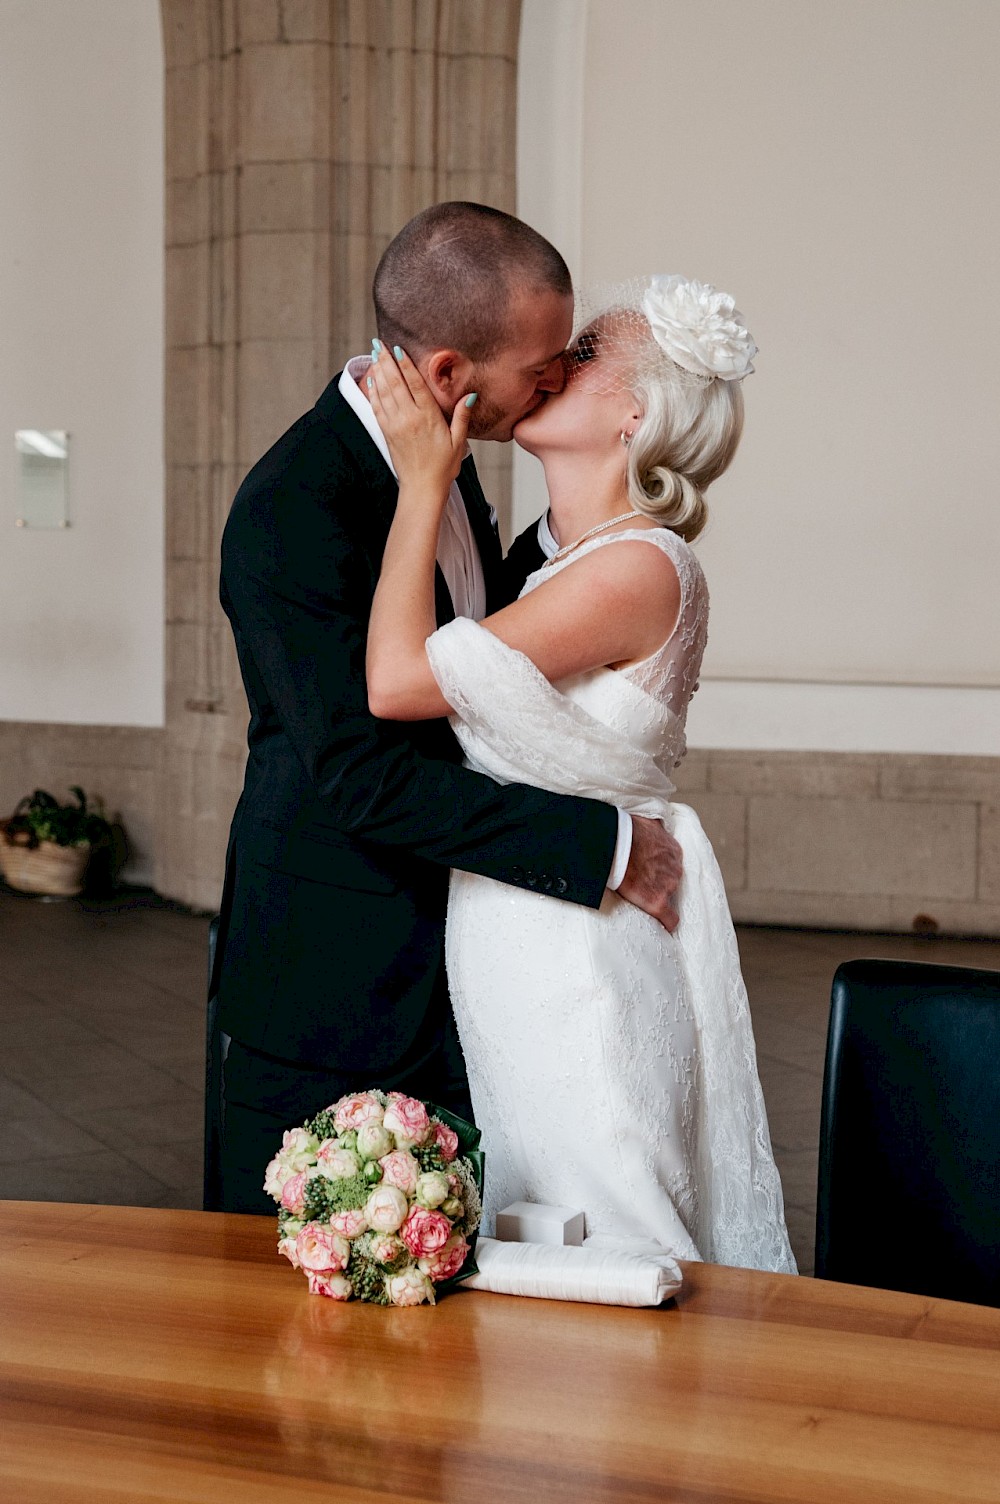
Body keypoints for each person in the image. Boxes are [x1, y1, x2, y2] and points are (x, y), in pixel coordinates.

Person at [213, 204, 684, 1215]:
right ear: (446, 373)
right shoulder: (292, 507)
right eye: (542, 362)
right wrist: (603, 844)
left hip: (474, 957)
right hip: (332, 974)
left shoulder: (449, 454)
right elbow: (362, 777)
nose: (554, 377)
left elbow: (488, 664)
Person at [365, 275, 796, 1272]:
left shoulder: (639, 568)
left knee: (613, 1220)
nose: (557, 364)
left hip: (583, 951)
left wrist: (422, 481)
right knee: (536, 1219)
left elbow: (396, 681)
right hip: (513, 929)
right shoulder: (552, 560)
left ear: (632, 413)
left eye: (588, 352)